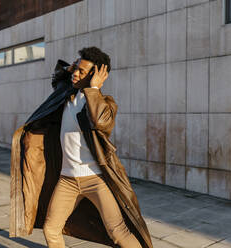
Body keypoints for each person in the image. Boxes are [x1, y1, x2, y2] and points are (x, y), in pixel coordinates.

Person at [9, 47, 153, 248]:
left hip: (96, 179)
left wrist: (93, 89)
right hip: (66, 180)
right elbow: (58, 75)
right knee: (51, 229)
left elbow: (101, 122)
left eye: (82, 72)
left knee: (118, 232)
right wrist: (76, 67)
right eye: (75, 69)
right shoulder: (66, 95)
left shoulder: (104, 103)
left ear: (95, 76)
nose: (76, 74)